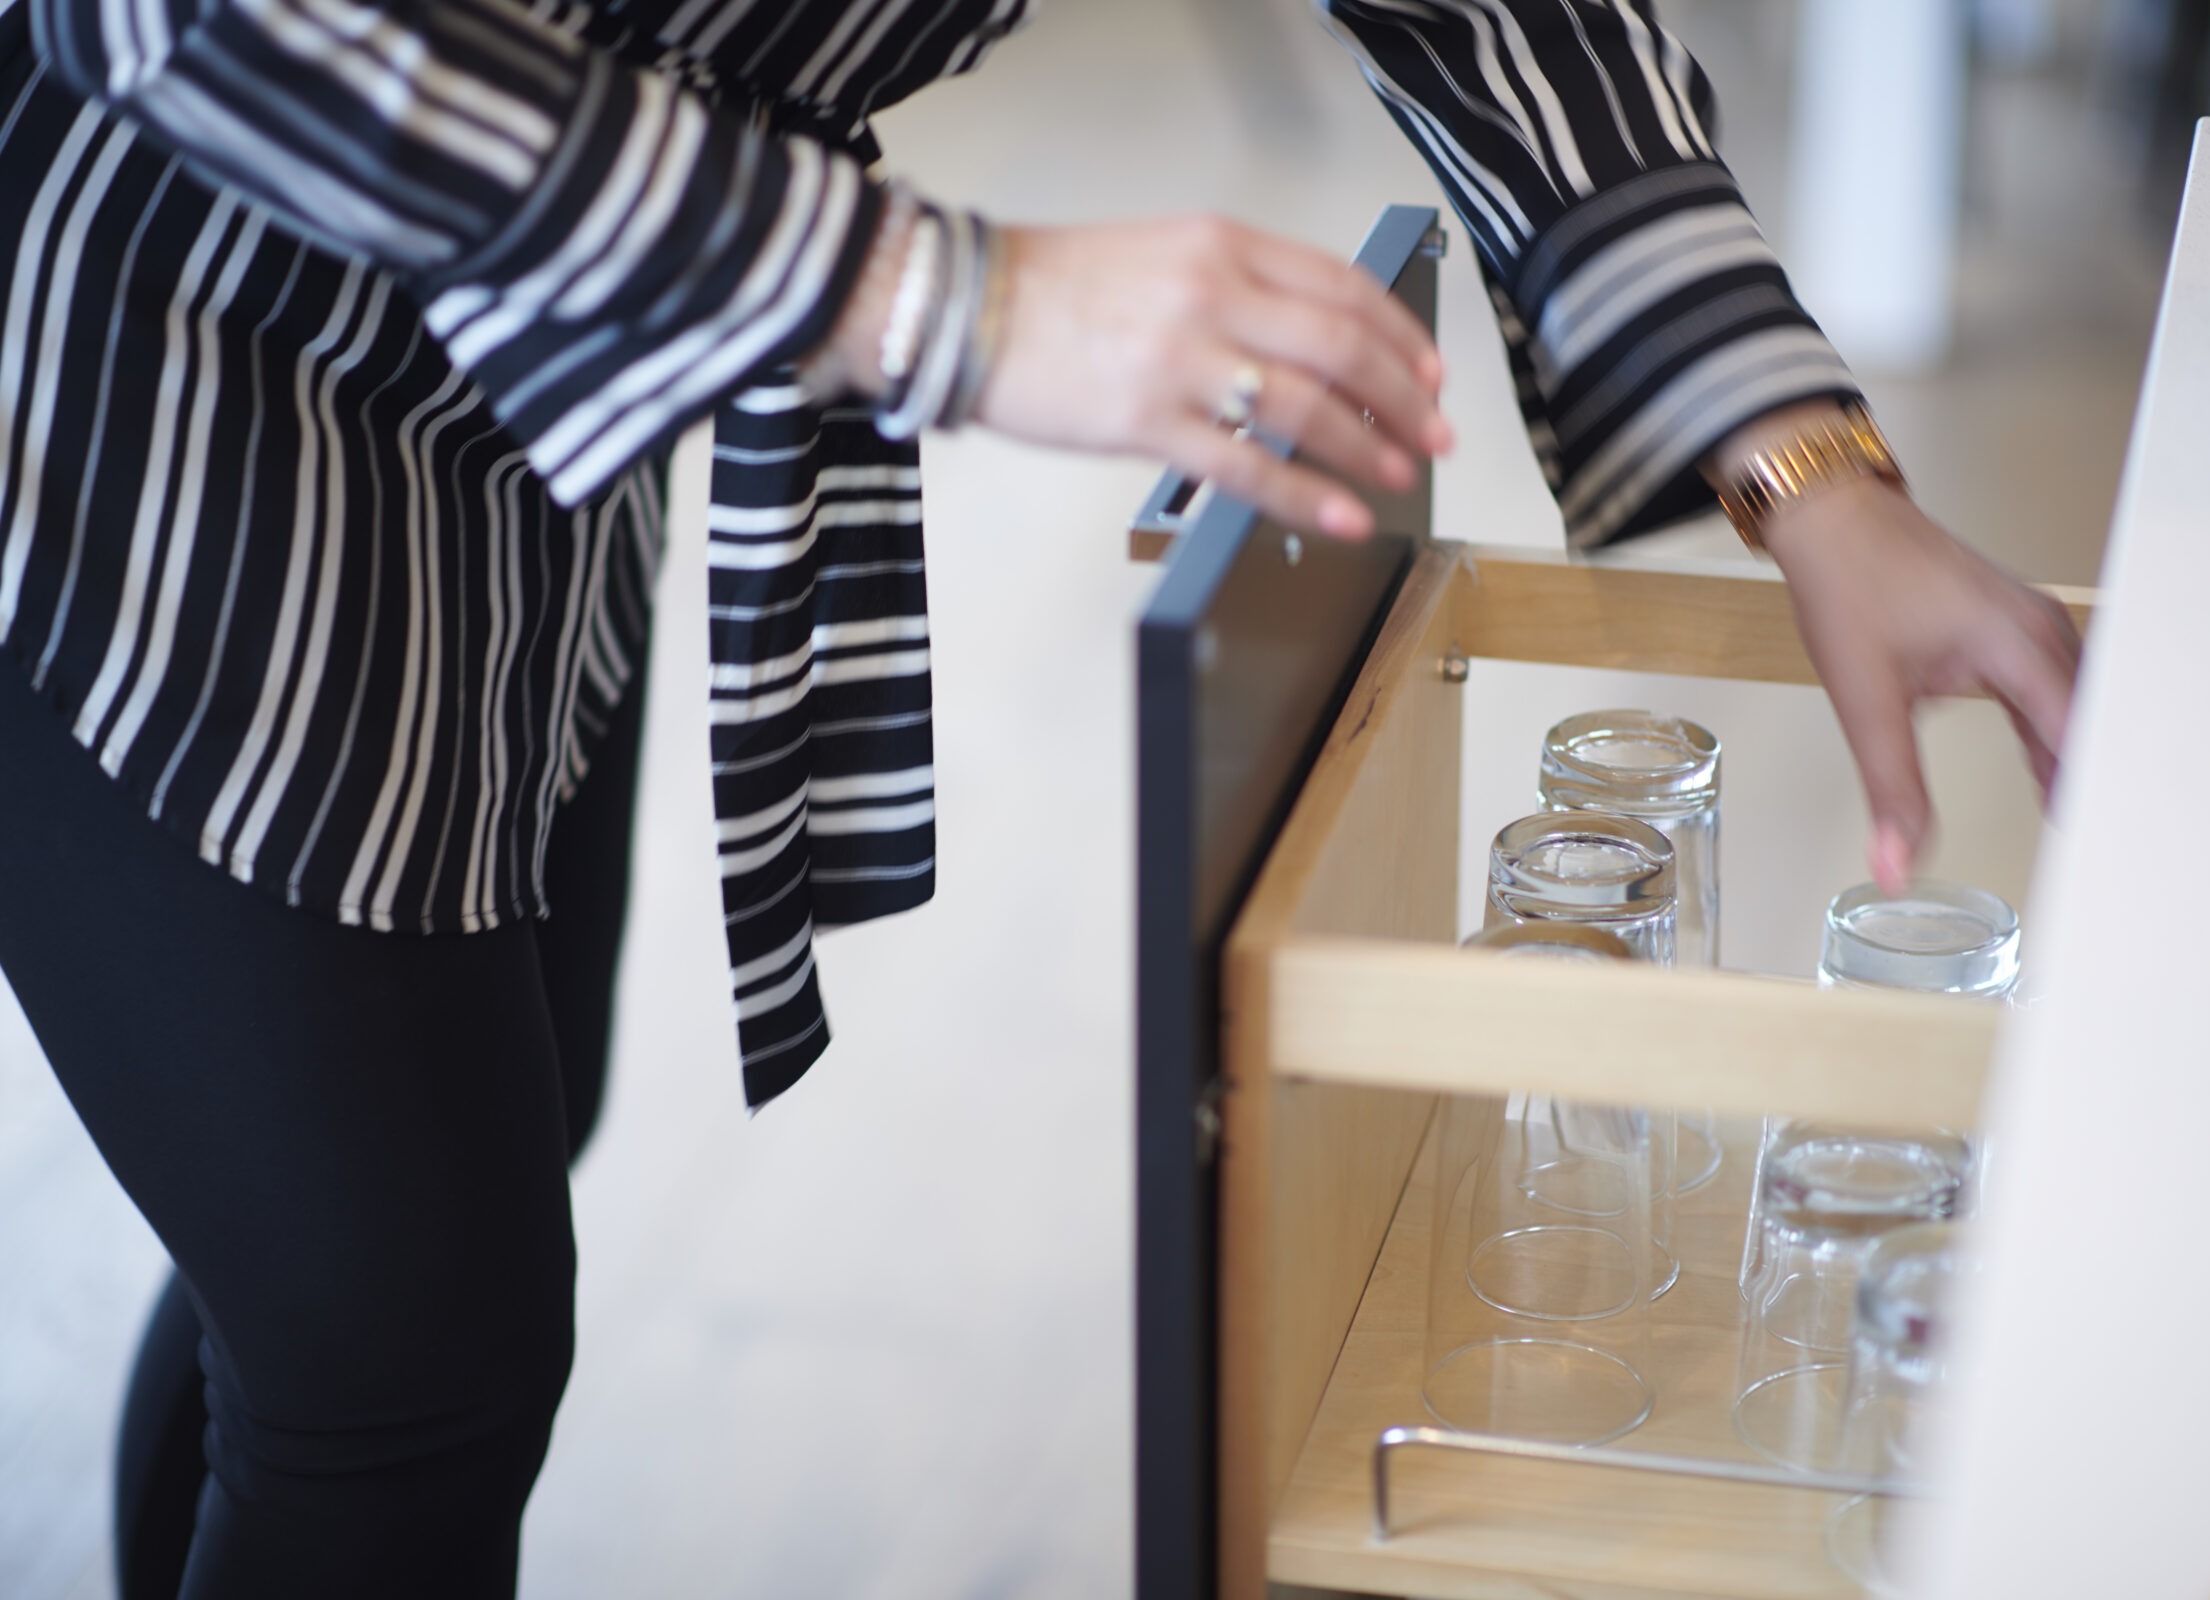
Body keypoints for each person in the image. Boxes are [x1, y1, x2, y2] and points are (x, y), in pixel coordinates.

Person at [0, 0, 2079, 1593]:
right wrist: (941, 297)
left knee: (441, 1197)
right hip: (145, 377)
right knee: (407, 1351)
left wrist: (1790, 440)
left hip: (560, 382)